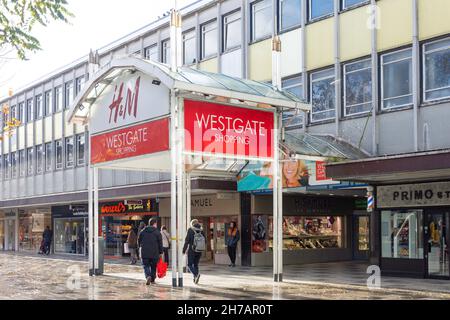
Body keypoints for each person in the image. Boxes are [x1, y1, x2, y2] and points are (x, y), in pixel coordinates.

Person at [138, 218, 163, 285]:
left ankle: (148, 276)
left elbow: (139, 241)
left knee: (146, 265)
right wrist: (161, 252)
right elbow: (160, 243)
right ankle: (152, 279)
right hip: (155, 253)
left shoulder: (142, 231)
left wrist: (140, 248)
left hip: (145, 252)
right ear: (154, 224)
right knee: (153, 266)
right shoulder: (157, 232)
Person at [183, 219, 206, 284]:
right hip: (199, 250)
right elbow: (205, 240)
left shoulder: (190, 230)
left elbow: (186, 241)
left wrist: (184, 250)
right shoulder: (201, 230)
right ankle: (195, 278)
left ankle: (196, 274)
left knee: (189, 265)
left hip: (192, 250)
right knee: (196, 264)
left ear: (192, 224)